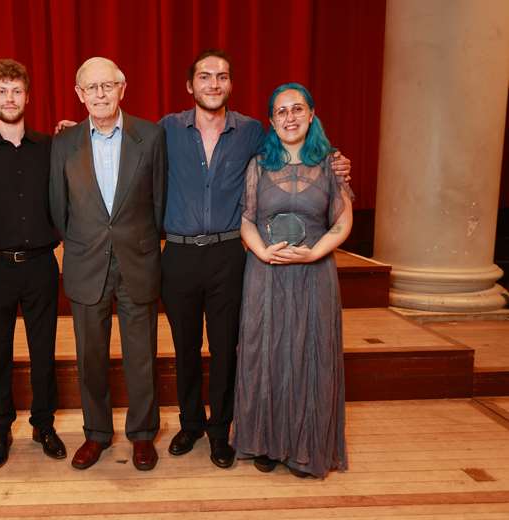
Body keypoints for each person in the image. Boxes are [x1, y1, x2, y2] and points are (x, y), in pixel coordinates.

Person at [159, 49, 351, 469]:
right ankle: (190, 423)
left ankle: (219, 431)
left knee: (227, 347)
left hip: (229, 254)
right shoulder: (166, 129)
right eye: (205, 77)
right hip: (178, 253)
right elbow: (127, 145)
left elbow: (304, 154)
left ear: (230, 84)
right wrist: (75, 130)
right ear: (189, 85)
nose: (214, 84)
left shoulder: (249, 131)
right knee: (185, 347)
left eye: (222, 76)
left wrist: (336, 161)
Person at [49, 57, 166, 471]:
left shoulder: (151, 137)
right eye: (91, 88)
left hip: (138, 261)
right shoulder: (63, 143)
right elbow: (57, 209)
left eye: (107, 86)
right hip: (85, 263)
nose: (100, 94)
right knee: (90, 358)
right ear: (80, 94)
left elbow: (160, 201)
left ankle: (142, 434)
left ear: (122, 88)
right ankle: (96, 434)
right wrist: (84, 242)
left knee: (141, 356)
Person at [232, 83, 352, 479]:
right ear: (271, 120)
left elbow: (342, 220)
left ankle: (305, 449)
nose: (290, 117)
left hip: (314, 273)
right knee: (265, 356)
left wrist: (317, 252)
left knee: (309, 356)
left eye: (297, 109)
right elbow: (246, 219)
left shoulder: (331, 164)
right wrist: (261, 251)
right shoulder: (258, 164)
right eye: (281, 111)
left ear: (312, 114)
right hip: (265, 274)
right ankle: (265, 442)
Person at [0, 59, 65, 470]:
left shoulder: (51, 148)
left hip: (41, 263)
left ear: (28, 95)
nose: (10, 98)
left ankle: (43, 424)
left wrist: (74, 135)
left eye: (16, 91)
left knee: (44, 351)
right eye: (1, 91)